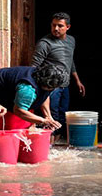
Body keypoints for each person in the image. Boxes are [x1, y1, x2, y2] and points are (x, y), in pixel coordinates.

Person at [31, 12, 85, 141]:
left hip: (65, 84)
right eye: (53, 25)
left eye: (60, 26)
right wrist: (35, 87)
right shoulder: (45, 43)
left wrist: (77, 80)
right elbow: (34, 66)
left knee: (62, 114)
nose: (56, 29)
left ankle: (57, 142)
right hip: (50, 87)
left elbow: (70, 60)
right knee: (51, 114)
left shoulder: (71, 40)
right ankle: (48, 144)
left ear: (68, 27)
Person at [0, 63, 66, 130]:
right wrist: (43, 121)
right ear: (46, 84)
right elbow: (19, 111)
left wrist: (48, 117)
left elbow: (44, 95)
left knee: (29, 120)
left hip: (13, 87)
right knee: (13, 126)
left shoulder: (42, 77)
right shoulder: (27, 89)